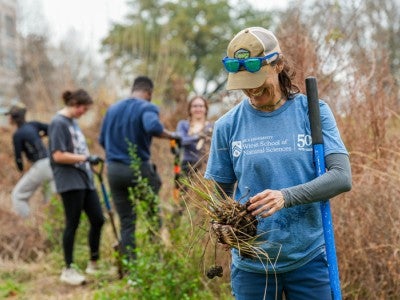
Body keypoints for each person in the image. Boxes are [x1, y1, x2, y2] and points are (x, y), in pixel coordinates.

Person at [204, 27, 352, 299]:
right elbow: (220, 197)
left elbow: (341, 177)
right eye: (244, 82)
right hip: (252, 265)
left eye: (258, 79)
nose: (251, 89)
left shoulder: (313, 112)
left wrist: (286, 197)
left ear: (278, 64)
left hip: (308, 258)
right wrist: (221, 225)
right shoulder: (227, 126)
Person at [99, 76, 180, 262]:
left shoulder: (112, 109)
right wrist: (172, 135)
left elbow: (102, 140)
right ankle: (155, 261)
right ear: (149, 93)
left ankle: (131, 268)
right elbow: (152, 126)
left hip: (114, 172)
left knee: (127, 221)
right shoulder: (147, 107)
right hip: (138, 170)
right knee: (152, 214)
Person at [48, 89, 105, 286]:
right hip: (69, 180)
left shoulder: (72, 123)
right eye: (84, 109)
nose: (84, 112)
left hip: (84, 178)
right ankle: (68, 268)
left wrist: (88, 161)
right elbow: (57, 155)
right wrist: (85, 158)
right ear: (75, 104)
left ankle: (93, 263)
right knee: (72, 222)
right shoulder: (58, 122)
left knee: (98, 219)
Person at [4, 102, 55, 217]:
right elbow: (52, 129)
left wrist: (21, 172)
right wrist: (41, 135)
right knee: (50, 200)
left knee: (17, 196)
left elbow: (18, 158)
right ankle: (50, 226)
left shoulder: (18, 134)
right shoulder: (33, 125)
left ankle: (29, 223)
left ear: (13, 118)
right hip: (51, 164)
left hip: (40, 166)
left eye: (9, 116)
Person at [175, 95, 213, 175]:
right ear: (190, 109)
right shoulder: (183, 124)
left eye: (201, 106)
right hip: (187, 165)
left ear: (206, 109)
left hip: (205, 166)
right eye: (195, 106)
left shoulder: (211, 127)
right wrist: (198, 136)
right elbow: (181, 141)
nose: (198, 109)